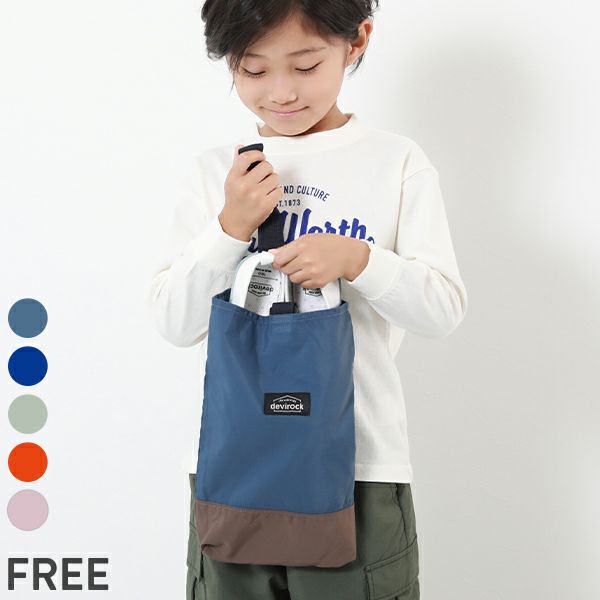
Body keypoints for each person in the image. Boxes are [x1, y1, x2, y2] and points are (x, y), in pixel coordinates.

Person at [146, 1, 468, 598]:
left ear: (357, 41)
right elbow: (174, 322)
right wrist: (229, 229)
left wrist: (360, 261)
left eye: (306, 65)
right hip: (235, 463)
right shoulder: (215, 172)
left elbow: (442, 310)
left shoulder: (395, 162)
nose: (281, 92)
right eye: (253, 69)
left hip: (359, 469)